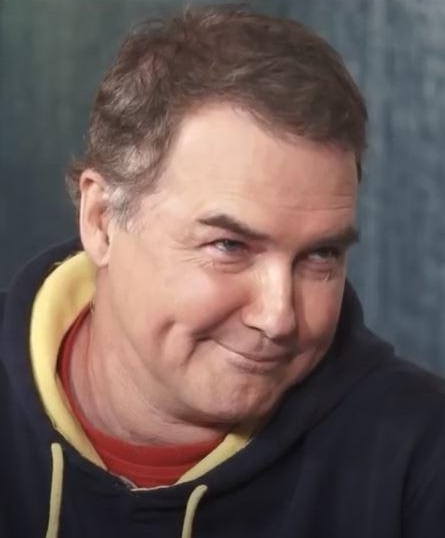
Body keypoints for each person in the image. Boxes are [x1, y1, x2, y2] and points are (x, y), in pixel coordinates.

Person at [1, 5, 445, 538]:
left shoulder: (423, 458)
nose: (278, 317)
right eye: (229, 246)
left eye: (320, 255)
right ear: (101, 222)